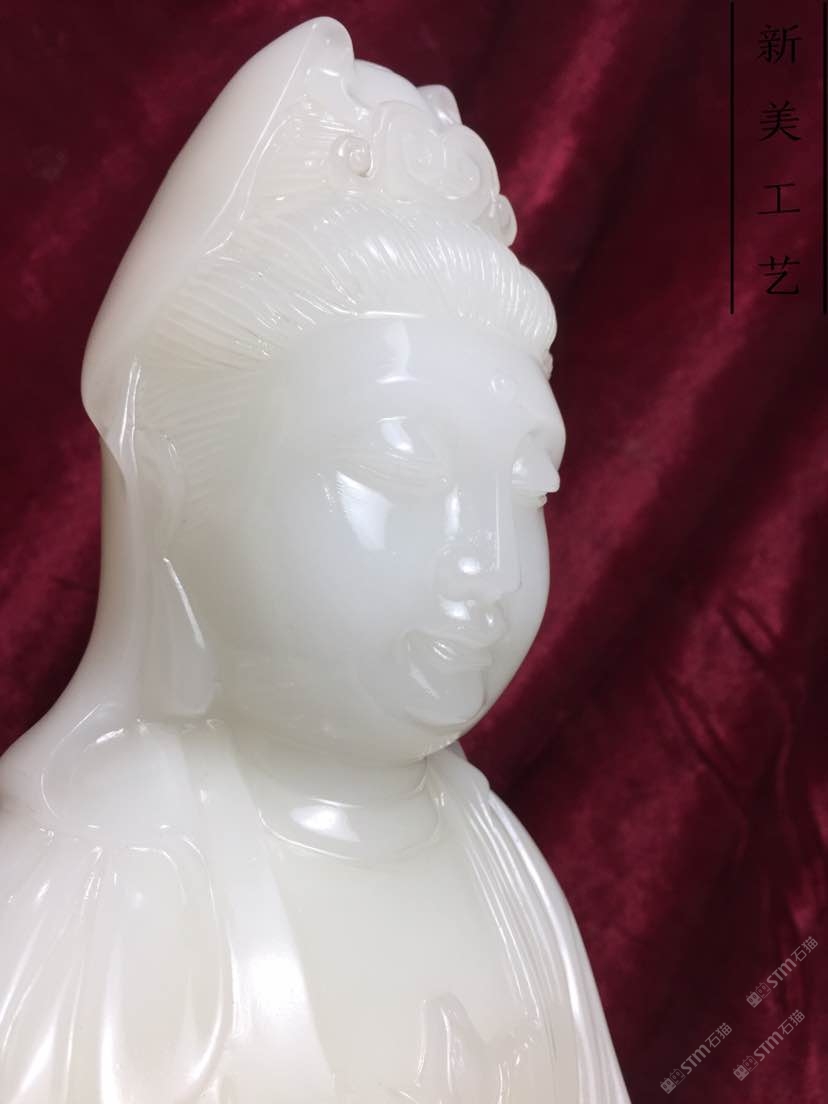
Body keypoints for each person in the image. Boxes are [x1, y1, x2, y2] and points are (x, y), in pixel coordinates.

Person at [0, 18, 629, 1102]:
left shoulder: (501, 865)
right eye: (399, 463)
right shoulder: (97, 882)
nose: (485, 564)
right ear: (183, 488)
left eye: (525, 490)